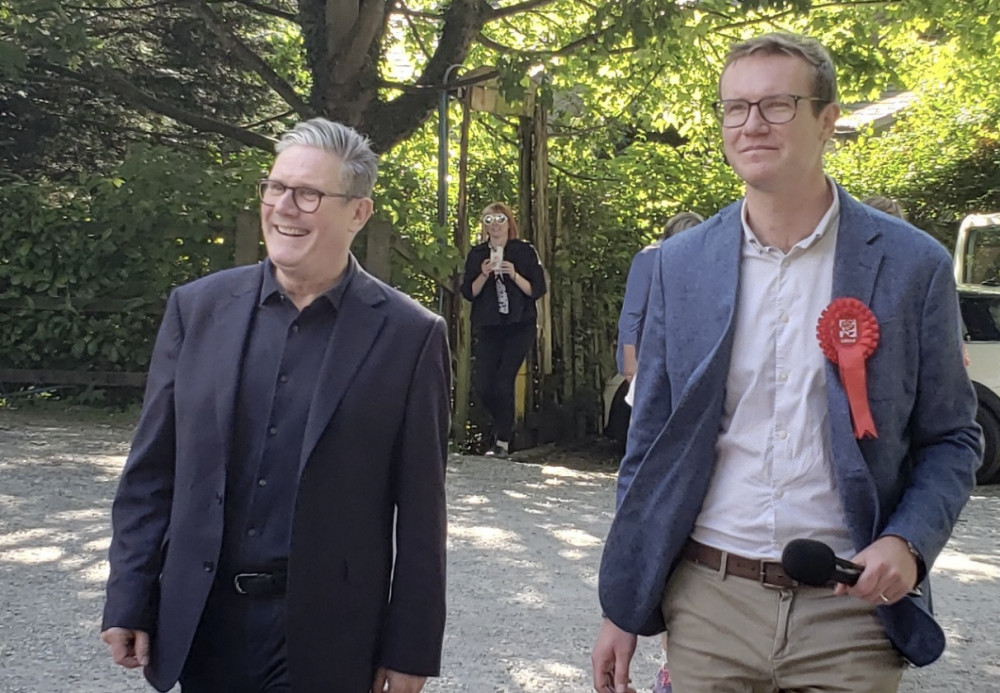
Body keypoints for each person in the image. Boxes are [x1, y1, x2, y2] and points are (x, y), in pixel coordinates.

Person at [592, 32, 980, 693]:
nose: (752, 124)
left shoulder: (914, 267)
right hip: (710, 603)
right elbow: (650, 446)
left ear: (827, 120)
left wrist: (909, 543)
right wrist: (622, 605)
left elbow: (952, 436)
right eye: (735, 107)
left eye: (777, 104)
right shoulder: (679, 268)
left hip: (851, 612)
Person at [101, 118, 451, 693]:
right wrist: (129, 596)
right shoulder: (198, 309)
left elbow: (420, 513)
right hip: (203, 624)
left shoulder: (410, 337)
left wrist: (410, 648)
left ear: (358, 214)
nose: (285, 207)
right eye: (276, 187)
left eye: (309, 194)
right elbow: (151, 472)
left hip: (327, 637)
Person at [460, 202, 547, 458]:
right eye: (489, 220)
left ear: (509, 222)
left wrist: (515, 275)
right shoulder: (477, 255)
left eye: (499, 219)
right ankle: (502, 424)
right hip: (490, 326)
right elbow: (469, 292)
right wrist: (484, 274)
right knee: (484, 384)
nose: (495, 224)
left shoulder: (524, 251)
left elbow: (538, 289)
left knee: (504, 380)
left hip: (519, 325)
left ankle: (503, 440)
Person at [618, 212, 705, 386]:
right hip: (650, 357)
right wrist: (629, 361)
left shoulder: (701, 261)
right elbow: (631, 314)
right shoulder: (648, 259)